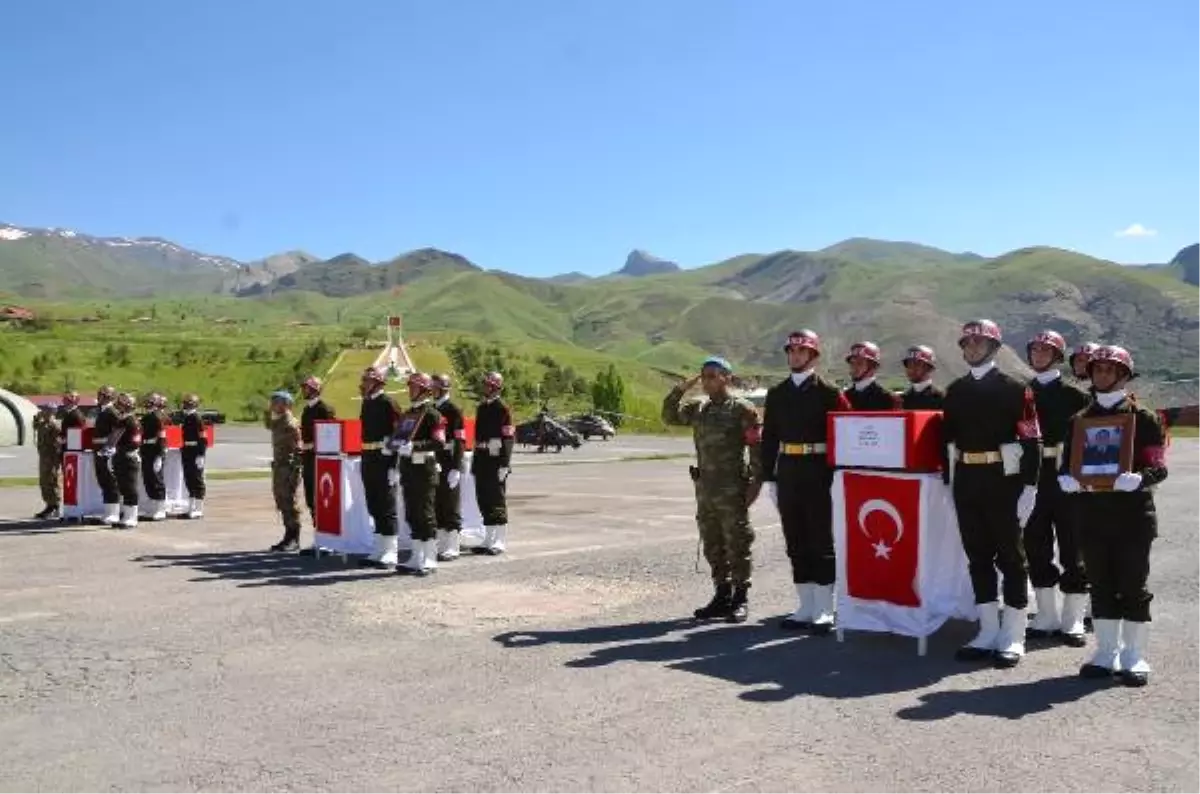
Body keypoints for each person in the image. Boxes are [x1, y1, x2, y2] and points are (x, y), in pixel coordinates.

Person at [1058, 345, 1165, 687]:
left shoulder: (1144, 418)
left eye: (1110, 369)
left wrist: (1141, 478)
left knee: (1132, 584)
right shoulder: (1077, 421)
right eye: (1097, 369)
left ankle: (1134, 655)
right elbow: (1066, 465)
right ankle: (1106, 652)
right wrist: (1066, 478)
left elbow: (1158, 465)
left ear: (1123, 375)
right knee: (1101, 584)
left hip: (1132, 516)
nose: (1102, 374)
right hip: (1091, 515)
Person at [942, 319, 1043, 668]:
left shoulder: (1017, 389)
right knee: (978, 557)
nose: (971, 348)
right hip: (967, 479)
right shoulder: (954, 391)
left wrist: (1030, 485)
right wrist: (943, 481)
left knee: (1012, 559)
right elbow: (945, 439)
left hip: (1003, 481)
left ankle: (1014, 635)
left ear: (993, 347)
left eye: (978, 343)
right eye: (967, 343)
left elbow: (1032, 439)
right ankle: (987, 631)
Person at [760, 330, 852, 634]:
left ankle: (826, 606)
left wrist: (839, 473)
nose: (795, 356)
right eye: (792, 351)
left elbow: (845, 433)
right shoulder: (777, 393)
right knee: (795, 539)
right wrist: (769, 476)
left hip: (818, 470)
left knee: (820, 539)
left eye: (802, 351)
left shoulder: (829, 392)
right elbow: (770, 437)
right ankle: (805, 605)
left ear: (813, 356)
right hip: (788, 470)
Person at [662, 356, 763, 623]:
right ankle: (722, 595)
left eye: (712, 375)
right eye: (704, 375)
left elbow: (756, 447)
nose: (706, 380)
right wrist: (680, 389)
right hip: (705, 489)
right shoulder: (699, 409)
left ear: (727, 378)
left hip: (732, 489)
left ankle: (740, 598)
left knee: (738, 542)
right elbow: (669, 416)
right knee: (713, 544)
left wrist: (755, 483)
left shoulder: (742, 409)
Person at [1022, 330, 1092, 646]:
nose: (1038, 354)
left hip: (1067, 477)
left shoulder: (1076, 396)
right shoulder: (1020, 393)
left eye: (1045, 350)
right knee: (1035, 545)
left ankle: (1074, 617)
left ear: (1057, 356)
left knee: (1072, 546)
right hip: (1033, 477)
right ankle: (1046, 615)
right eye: (1034, 349)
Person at [395, 372, 449, 576]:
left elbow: (439, 442)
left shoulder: (433, 414)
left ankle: (429, 558)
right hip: (409, 468)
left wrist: (414, 446)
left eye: (414, 387)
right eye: (410, 387)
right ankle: (416, 556)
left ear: (424, 390)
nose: (410, 390)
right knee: (412, 513)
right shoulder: (409, 413)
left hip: (424, 468)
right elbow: (401, 437)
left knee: (425, 513)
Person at [359, 366, 403, 568]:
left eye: (368, 381)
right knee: (373, 504)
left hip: (384, 459)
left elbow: (400, 433)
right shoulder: (367, 403)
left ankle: (391, 552)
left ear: (377, 383)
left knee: (387, 506)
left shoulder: (388, 403)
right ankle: (378, 549)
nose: (364, 384)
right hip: (369, 456)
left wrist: (394, 464)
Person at [471, 371, 515, 555]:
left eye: (489, 385)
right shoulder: (482, 408)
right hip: (482, 457)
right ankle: (488, 538)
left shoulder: (502, 408)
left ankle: (499, 540)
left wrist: (505, 463)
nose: (485, 388)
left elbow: (508, 437)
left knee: (496, 498)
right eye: (485, 385)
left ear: (496, 387)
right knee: (484, 499)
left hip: (496, 459)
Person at [298, 376, 336, 553]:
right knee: (311, 499)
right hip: (308, 457)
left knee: (322, 500)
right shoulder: (306, 409)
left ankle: (328, 539)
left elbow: (331, 435)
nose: (303, 391)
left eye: (306, 388)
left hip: (321, 459)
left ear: (315, 389)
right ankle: (318, 536)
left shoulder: (325, 409)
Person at [432, 373, 467, 561]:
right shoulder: (432, 408)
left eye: (435, 388)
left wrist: (456, 466)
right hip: (435, 460)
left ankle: (453, 546)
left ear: (443, 389)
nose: (432, 390)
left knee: (450, 504)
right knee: (438, 503)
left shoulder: (453, 409)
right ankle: (442, 544)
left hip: (448, 460)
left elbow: (460, 439)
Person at [267, 391, 304, 552]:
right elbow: (268, 423)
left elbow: (299, 448)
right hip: (279, 466)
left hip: (289, 468)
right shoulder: (279, 420)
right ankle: (287, 536)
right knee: (281, 500)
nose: (272, 405)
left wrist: (294, 469)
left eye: (276, 402)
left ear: (286, 404)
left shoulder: (291, 423)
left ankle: (294, 538)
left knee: (289, 501)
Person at [111, 393, 143, 529]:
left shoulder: (132, 421)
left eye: (122, 403)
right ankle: (126, 515)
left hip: (129, 457)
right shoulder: (122, 420)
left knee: (130, 487)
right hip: (120, 456)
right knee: (123, 486)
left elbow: (135, 442)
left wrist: (123, 451)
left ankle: (132, 517)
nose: (119, 406)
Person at [92, 385, 121, 526]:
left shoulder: (112, 412)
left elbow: (118, 431)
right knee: (103, 481)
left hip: (106, 450)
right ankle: (108, 512)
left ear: (108, 397)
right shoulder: (102, 411)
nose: (99, 397)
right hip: (99, 449)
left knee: (110, 482)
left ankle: (114, 513)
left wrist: (110, 447)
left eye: (102, 395)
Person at [842, 341, 901, 411]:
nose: (854, 367)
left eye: (859, 363)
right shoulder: (845, 397)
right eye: (852, 363)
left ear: (872, 367)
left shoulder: (887, 398)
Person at [139, 393, 170, 521]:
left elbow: (162, 437)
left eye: (150, 401)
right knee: (148, 479)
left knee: (157, 480)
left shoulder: (157, 417)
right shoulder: (147, 417)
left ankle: (160, 509)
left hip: (155, 450)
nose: (147, 403)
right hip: (147, 449)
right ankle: (152, 507)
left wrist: (160, 455)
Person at [179, 394, 207, 519]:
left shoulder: (197, 418)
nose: (186, 405)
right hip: (187, 450)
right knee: (189, 478)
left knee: (197, 479)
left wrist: (201, 454)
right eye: (185, 403)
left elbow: (203, 438)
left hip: (195, 451)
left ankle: (199, 509)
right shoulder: (187, 417)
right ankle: (191, 507)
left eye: (188, 403)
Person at [33, 402, 62, 519]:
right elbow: (35, 426)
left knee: (52, 481)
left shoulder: (54, 425)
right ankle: (49, 504)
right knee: (44, 482)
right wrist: (36, 417)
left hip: (52, 457)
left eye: (45, 410)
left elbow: (60, 441)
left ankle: (56, 506)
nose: (42, 412)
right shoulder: (43, 423)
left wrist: (57, 458)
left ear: (52, 412)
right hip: (44, 457)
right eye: (43, 410)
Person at [899, 345, 944, 410]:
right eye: (909, 365)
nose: (911, 369)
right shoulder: (903, 399)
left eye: (916, 364)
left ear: (929, 368)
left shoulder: (940, 398)